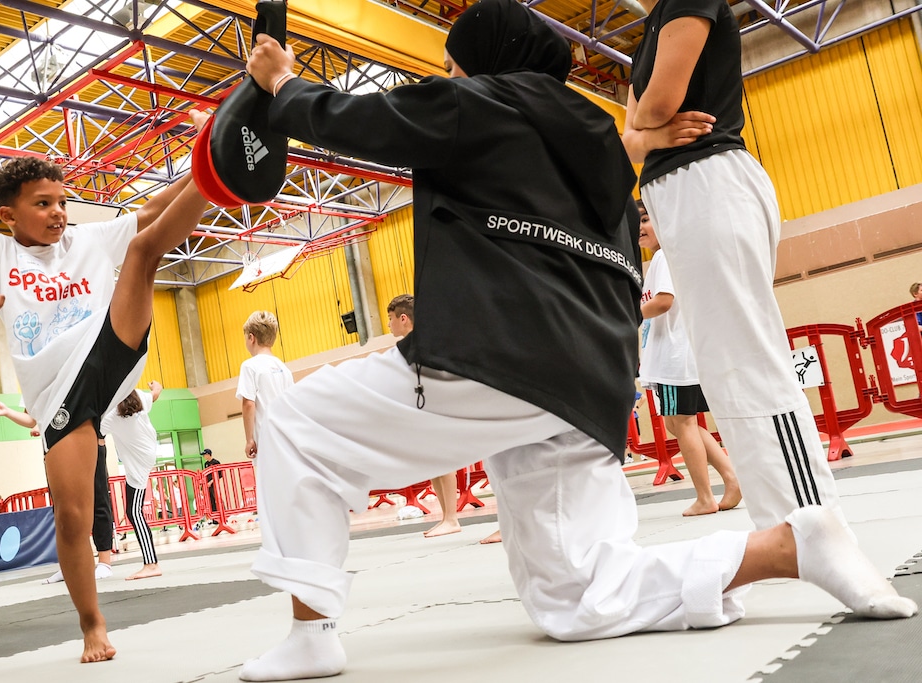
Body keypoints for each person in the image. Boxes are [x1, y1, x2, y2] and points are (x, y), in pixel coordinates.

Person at [231, 2, 915, 680]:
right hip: (591, 380)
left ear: (483, 58)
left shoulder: (476, 102)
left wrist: (283, 81)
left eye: (453, 63)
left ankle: (310, 631)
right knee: (576, 596)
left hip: (500, 360)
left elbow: (348, 120)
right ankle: (790, 546)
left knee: (292, 421)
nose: (449, 74)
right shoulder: (599, 134)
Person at [0, 125, 209, 662]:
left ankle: (218, 177)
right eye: (43, 204)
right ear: (9, 214)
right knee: (72, 518)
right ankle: (92, 624)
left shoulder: (85, 239)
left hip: (109, 348)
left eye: (62, 201)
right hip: (58, 393)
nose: (58, 213)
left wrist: (203, 162)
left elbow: (154, 209)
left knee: (142, 249)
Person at [622, 0, 848, 531]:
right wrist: (646, 133)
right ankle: (788, 523)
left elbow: (650, 113)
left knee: (748, 355)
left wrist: (645, 130)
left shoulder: (688, 1)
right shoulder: (644, 39)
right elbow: (632, 138)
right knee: (725, 366)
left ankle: (812, 522)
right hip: (679, 189)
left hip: (707, 180)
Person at [637, 202, 742, 516]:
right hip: (676, 355)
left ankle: (704, 496)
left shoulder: (664, 255)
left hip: (675, 356)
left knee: (682, 424)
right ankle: (732, 478)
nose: (639, 227)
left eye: (645, 219)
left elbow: (663, 302)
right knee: (679, 424)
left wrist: (624, 314)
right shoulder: (666, 256)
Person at [0, 398, 115, 584]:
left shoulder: (78, 372)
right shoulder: (35, 381)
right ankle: (70, 565)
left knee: (97, 498)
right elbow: (30, 419)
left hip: (87, 440)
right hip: (54, 447)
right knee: (61, 507)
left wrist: (100, 434)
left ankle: (104, 562)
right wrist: (6, 411)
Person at [388, 295, 461, 538]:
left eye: (390, 319)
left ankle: (452, 518)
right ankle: (445, 516)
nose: (389, 325)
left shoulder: (424, 343)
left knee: (444, 462)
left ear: (403, 318)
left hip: (437, 407)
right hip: (422, 409)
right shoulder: (407, 348)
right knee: (433, 463)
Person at [101, 381, 162, 581]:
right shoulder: (138, 396)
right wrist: (156, 385)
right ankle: (151, 563)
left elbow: (93, 431)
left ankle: (151, 564)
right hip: (148, 450)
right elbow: (155, 393)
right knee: (133, 511)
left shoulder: (110, 416)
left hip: (138, 461)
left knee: (134, 512)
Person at [236, 311, 294, 463]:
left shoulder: (250, 366)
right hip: (287, 438)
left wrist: (249, 439)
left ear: (251, 338)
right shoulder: (284, 368)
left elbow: (248, 404)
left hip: (266, 439)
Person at [201, 448, 221, 517]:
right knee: (211, 501)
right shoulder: (206, 464)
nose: (204, 456)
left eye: (204, 455)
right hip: (208, 485)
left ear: (208, 454)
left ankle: (223, 515)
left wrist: (211, 482)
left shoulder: (216, 462)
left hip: (214, 484)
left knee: (217, 499)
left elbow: (219, 474)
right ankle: (215, 517)